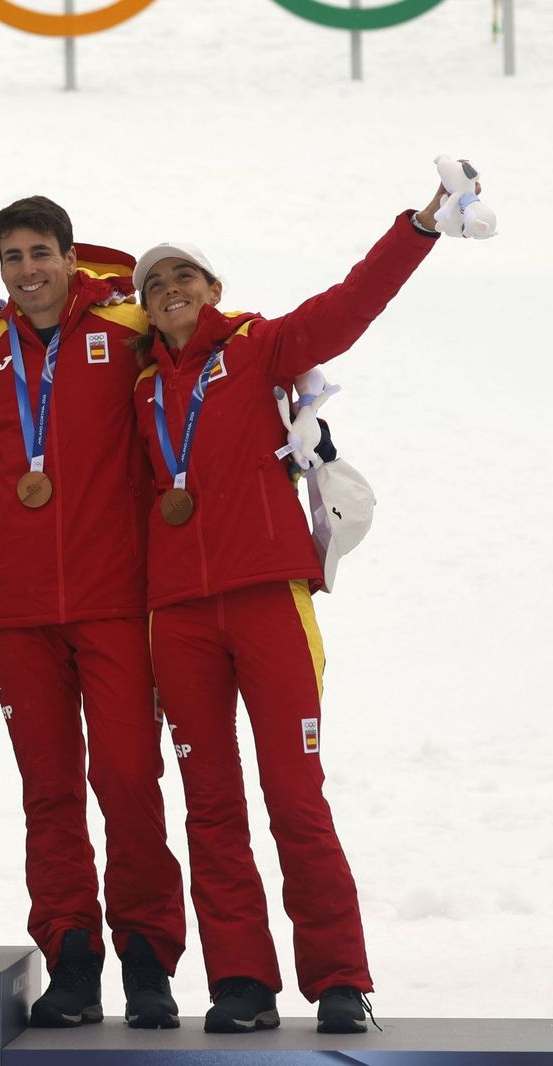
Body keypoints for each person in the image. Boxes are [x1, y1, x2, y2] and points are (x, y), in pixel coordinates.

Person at [129, 172, 453, 1035]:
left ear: (214, 290)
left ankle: (341, 977)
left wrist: (417, 227)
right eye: (154, 286)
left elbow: (352, 305)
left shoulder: (262, 348)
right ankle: (240, 980)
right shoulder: (134, 387)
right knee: (210, 803)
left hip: (270, 598)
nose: (170, 294)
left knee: (295, 795)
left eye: (184, 279)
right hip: (179, 617)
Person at [0, 197, 186, 1026]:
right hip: (16, 606)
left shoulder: (128, 324)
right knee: (49, 790)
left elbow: (201, 351)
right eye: (13, 256)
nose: (27, 271)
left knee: (129, 778)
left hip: (114, 598)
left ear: (70, 256)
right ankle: (72, 954)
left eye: (41, 253)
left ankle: (148, 957)